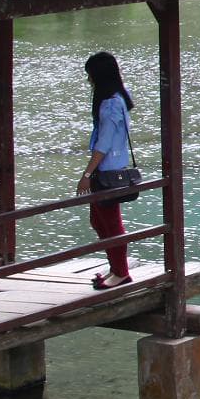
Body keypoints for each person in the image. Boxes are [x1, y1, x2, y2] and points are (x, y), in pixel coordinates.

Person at [81, 50, 137, 289]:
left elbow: (103, 144)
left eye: (90, 75)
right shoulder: (118, 98)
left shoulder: (110, 104)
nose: (88, 80)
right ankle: (115, 268)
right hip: (110, 168)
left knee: (110, 222)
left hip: (107, 171)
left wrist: (86, 175)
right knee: (99, 220)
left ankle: (121, 272)